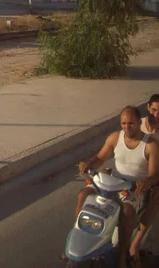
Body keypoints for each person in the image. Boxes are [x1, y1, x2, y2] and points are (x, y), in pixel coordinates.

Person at [73, 106, 159, 268]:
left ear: (139, 122)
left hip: (134, 189)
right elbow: (99, 158)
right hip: (111, 183)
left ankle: (121, 255)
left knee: (126, 212)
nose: (127, 127)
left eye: (131, 124)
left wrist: (147, 182)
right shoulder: (114, 137)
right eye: (124, 123)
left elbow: (154, 175)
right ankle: (78, 238)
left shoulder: (150, 145)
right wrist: (88, 165)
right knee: (83, 194)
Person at [129, 95, 159, 261]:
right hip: (138, 172)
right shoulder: (140, 126)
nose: (157, 115)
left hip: (155, 175)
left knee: (154, 196)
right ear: (148, 108)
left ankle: (137, 245)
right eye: (154, 110)